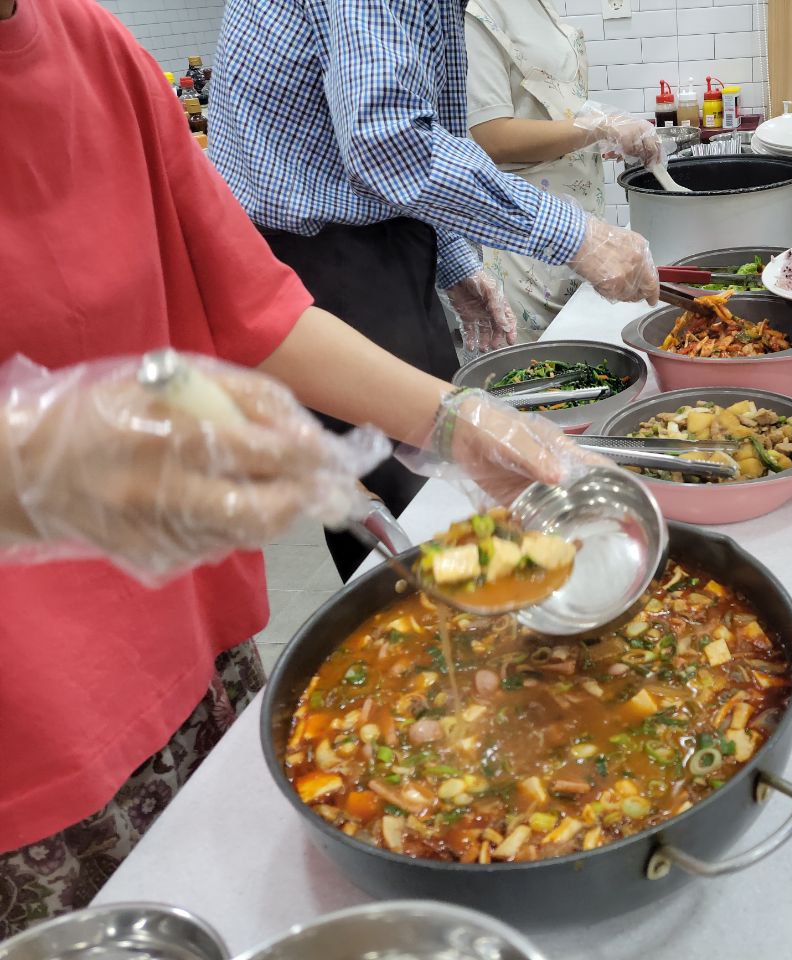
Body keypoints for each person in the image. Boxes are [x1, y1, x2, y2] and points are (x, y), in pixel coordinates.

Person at [0, 0, 599, 935]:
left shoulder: (95, 46)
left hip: (195, 643)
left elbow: (252, 305)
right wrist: (51, 452)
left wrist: (456, 421)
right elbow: (389, 143)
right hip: (28, 738)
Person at [208, 0, 659, 580]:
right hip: (314, 258)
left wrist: (450, 258)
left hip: (375, 236)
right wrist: (576, 236)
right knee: (402, 498)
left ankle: (475, 596)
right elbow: (386, 142)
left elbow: (419, 131)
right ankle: (424, 629)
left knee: (441, 464)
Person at [464, 0, 662, 343]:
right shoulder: (477, 12)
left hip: (576, 226)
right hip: (527, 239)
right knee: (543, 370)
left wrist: (596, 137)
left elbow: (546, 111)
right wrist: (598, 127)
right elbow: (489, 136)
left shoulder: (537, 6)